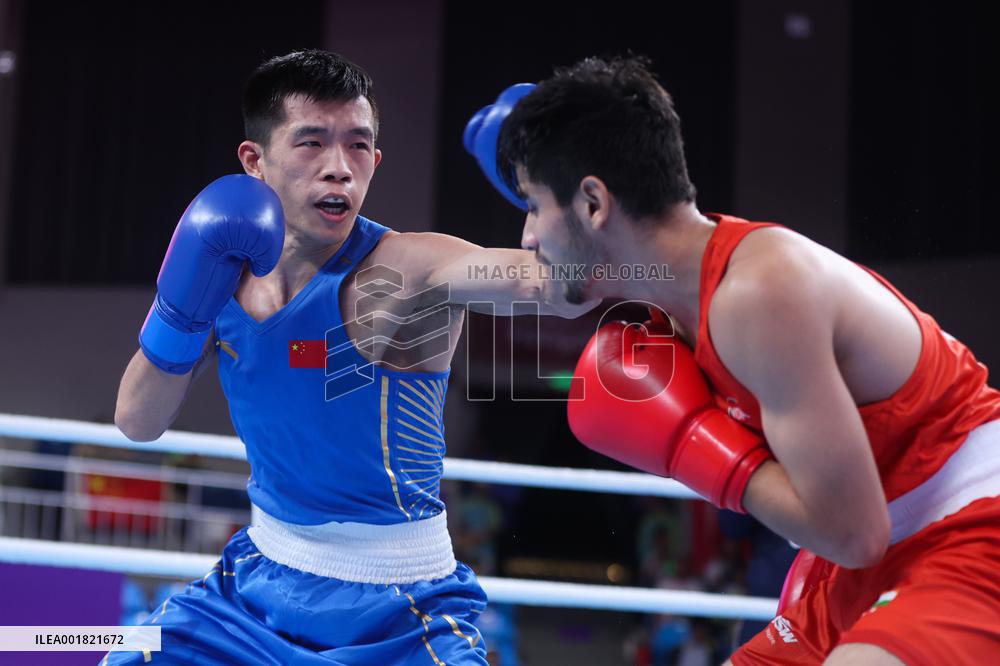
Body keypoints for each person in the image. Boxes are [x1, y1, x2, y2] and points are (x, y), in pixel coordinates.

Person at [466, 56, 1000, 665]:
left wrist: (696, 446)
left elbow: (853, 532)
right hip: (865, 556)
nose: (528, 237)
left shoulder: (759, 293)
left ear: (593, 203)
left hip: (971, 529)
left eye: (533, 206)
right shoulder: (675, 307)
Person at [110, 49, 594, 665]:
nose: (339, 168)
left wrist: (556, 201)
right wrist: (178, 310)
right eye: (311, 142)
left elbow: (553, 286)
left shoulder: (409, 269)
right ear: (254, 161)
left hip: (397, 609)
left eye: (359, 146)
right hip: (253, 586)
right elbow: (137, 421)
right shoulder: (221, 271)